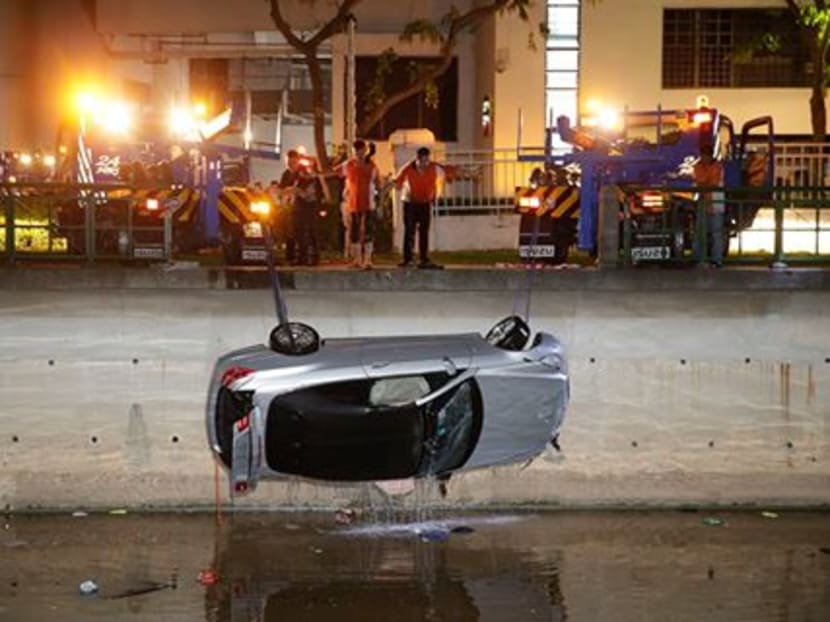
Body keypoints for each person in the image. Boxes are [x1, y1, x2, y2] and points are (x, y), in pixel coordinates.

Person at [395, 146, 445, 269]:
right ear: (417, 159)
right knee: (409, 230)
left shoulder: (433, 168)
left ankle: (424, 258)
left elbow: (444, 176)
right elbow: (397, 183)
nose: (425, 164)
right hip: (410, 203)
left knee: (424, 231)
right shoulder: (407, 169)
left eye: (427, 161)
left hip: (425, 203)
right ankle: (408, 259)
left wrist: (435, 194)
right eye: (422, 161)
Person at [336, 140, 380, 269]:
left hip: (368, 203)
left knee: (368, 231)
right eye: (356, 151)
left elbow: (378, 182)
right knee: (354, 232)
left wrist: (379, 197)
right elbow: (334, 171)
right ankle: (356, 259)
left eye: (361, 151)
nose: (359, 154)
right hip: (353, 204)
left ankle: (367, 260)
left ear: (364, 151)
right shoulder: (349, 164)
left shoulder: (371, 165)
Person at [279, 149, 324, 266]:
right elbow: (282, 189)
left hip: (309, 204)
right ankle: (300, 257)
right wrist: (289, 191)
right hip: (296, 205)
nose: (291, 165)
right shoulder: (287, 174)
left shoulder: (304, 171)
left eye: (294, 162)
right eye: (289, 162)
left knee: (311, 230)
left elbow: (313, 176)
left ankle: (313, 257)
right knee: (297, 231)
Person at [692, 147, 726, 267]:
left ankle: (715, 260)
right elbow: (704, 180)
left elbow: (712, 182)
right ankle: (700, 259)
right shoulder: (700, 166)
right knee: (701, 232)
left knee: (715, 233)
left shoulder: (716, 166)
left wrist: (703, 183)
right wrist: (705, 182)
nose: (704, 158)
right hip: (706, 203)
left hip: (714, 203)